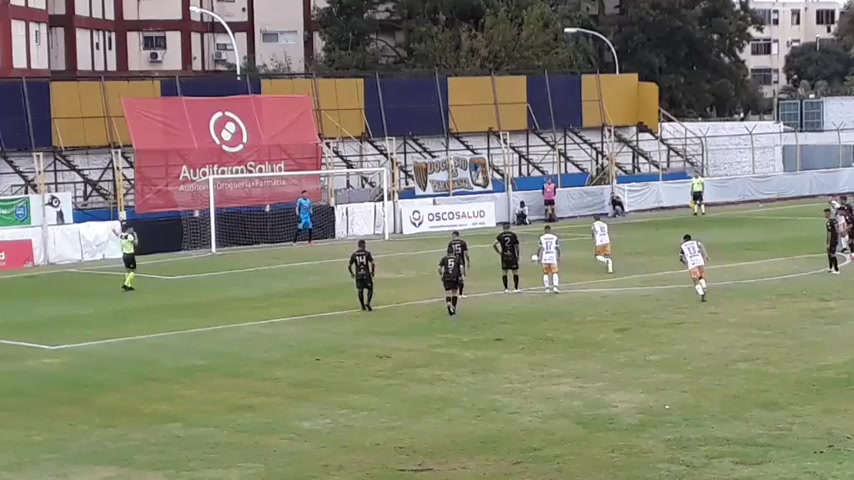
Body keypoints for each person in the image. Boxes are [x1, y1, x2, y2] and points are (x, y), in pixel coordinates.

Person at [679, 234, 709, 302]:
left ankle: (702, 294)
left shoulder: (683, 246)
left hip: (692, 263)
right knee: (701, 276)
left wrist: (684, 262)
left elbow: (681, 257)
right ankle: (704, 287)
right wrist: (706, 255)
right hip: (700, 261)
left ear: (684, 240)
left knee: (695, 280)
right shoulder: (696, 242)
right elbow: (702, 247)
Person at [348, 239, 376, 311]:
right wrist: (372, 272)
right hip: (366, 274)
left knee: (360, 290)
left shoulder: (354, 254)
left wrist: (352, 273)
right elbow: (372, 263)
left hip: (358, 275)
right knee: (370, 289)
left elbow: (349, 265)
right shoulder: (367, 253)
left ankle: (362, 306)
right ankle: (368, 302)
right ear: (364, 245)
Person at [493, 223, 521, 292]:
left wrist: (499, 252)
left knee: (504, 272)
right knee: (515, 272)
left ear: (503, 228)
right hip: (512, 255)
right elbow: (516, 246)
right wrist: (518, 255)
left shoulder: (500, 235)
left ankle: (506, 288)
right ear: (509, 227)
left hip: (504, 256)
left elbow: (494, 244)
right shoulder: (513, 235)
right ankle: (516, 288)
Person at [114, 223, 139, 291]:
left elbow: (117, 235)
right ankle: (126, 283)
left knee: (127, 270)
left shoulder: (122, 235)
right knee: (133, 270)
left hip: (124, 255)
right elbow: (136, 244)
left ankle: (129, 285)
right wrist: (136, 236)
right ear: (128, 229)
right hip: (130, 254)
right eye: (131, 228)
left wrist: (114, 232)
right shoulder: (129, 236)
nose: (132, 229)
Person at [438, 251, 463, 316]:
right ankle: (453, 308)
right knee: (454, 293)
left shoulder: (444, 258)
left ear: (447, 252)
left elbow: (439, 268)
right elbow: (461, 267)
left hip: (446, 277)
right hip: (455, 277)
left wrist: (441, 275)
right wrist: (461, 275)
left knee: (448, 293)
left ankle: (449, 304)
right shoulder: (457, 258)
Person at [537, 225, 561, 293]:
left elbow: (540, 248)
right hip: (552, 256)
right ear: (550, 230)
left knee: (545, 273)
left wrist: (538, 256)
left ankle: (547, 288)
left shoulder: (541, 238)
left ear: (545, 230)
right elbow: (557, 248)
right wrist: (558, 256)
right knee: (555, 272)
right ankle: (555, 287)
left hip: (545, 257)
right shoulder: (554, 237)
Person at [447, 231, 470, 298]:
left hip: (453, 261)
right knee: (461, 278)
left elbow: (448, 254)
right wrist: (468, 262)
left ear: (454, 235)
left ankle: (453, 293)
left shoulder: (450, 243)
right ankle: (460, 294)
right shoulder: (463, 242)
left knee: (453, 277)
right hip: (461, 261)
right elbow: (466, 254)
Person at [825, 208, 841, 274]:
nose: (825, 214)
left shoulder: (829, 222)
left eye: (825, 213)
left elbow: (829, 233)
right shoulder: (835, 220)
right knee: (830, 254)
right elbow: (837, 230)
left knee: (832, 254)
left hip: (832, 240)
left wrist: (828, 243)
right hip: (835, 239)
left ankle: (836, 270)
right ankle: (830, 268)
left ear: (828, 213)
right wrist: (837, 239)